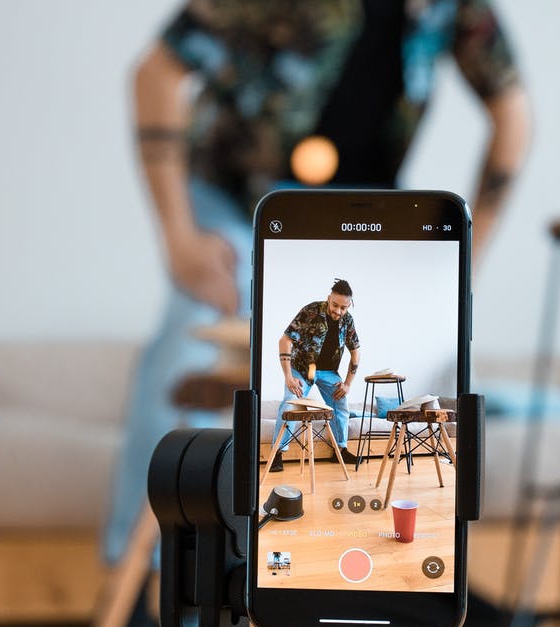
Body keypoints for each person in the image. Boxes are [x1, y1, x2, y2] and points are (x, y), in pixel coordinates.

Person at [104, 0, 532, 590]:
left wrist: (465, 261)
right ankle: (149, 579)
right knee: (190, 349)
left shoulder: (454, 9)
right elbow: (156, 72)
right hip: (236, 196)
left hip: (362, 206)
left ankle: (415, 568)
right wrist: (178, 236)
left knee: (442, 370)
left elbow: (513, 109)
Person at [272, 280, 362, 472]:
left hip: (328, 372)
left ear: (350, 305)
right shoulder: (310, 311)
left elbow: (356, 352)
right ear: (329, 299)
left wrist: (347, 384)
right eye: (335, 305)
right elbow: (285, 340)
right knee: (290, 403)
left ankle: (340, 450)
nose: (338, 311)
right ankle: (276, 454)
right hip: (302, 370)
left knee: (341, 402)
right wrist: (288, 377)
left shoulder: (348, 321)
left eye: (343, 307)